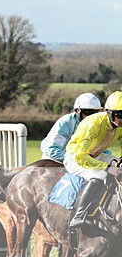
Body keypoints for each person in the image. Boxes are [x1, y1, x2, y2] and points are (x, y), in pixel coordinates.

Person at [64, 90, 122, 246]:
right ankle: (78, 217)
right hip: (75, 157)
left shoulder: (120, 125)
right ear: (109, 112)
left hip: (97, 155)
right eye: (119, 115)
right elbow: (81, 156)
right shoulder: (93, 123)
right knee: (98, 175)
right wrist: (106, 168)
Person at [41, 92, 104, 162]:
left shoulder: (97, 125)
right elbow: (52, 149)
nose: (92, 117)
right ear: (78, 111)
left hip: (76, 160)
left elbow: (101, 148)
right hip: (54, 160)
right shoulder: (66, 122)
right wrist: (74, 162)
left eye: (95, 113)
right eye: (88, 112)